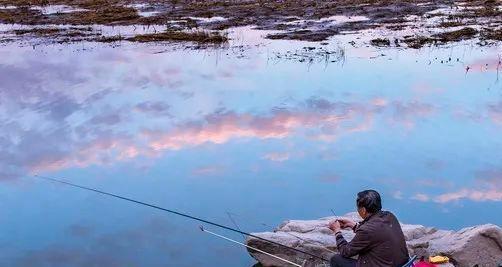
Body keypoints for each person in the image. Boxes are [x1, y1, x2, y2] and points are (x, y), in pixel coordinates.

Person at [328, 190, 409, 267]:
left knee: (336, 259)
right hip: (400, 264)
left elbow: (345, 251)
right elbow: (375, 234)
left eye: (358, 208)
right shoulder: (390, 216)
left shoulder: (367, 230)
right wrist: (353, 225)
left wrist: (337, 231)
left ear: (363, 210)